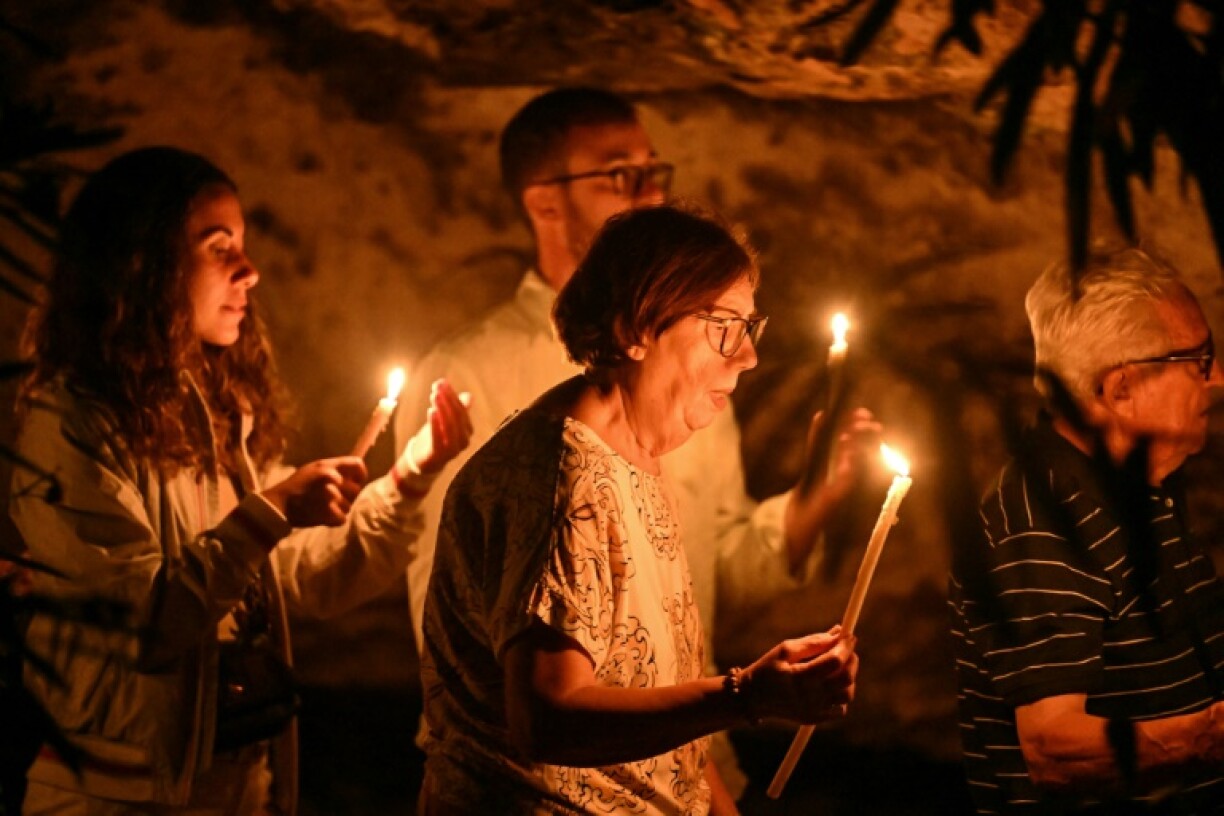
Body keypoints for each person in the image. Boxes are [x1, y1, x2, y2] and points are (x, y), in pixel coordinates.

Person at [394, 86, 878, 795]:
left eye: (750, 328)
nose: (746, 359)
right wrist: (747, 696)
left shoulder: (641, 453)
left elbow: (659, 656)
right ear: (636, 329)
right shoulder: (562, 466)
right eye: (724, 327)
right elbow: (543, 714)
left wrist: (815, 495)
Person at [9, 146, 472, 814]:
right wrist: (272, 509)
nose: (250, 272)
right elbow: (142, 622)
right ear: (143, 264)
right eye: (218, 245)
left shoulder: (214, 413)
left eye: (244, 244)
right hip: (119, 799)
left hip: (237, 791)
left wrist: (407, 478)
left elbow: (308, 577)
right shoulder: (69, 424)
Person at [949, 247, 1224, 814]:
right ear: (1119, 389)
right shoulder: (1042, 522)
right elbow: (1054, 751)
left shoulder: (1140, 479)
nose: (1217, 377)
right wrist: (1207, 741)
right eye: (1198, 358)